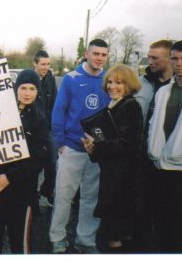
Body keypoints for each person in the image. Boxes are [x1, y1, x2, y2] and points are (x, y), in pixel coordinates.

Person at [0, 69, 49, 254]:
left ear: (38, 91)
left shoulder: (39, 120)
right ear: (15, 89)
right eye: (23, 87)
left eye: (32, 88)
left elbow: (38, 159)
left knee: (20, 243)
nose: (27, 93)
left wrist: (10, 177)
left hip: (22, 193)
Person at [49, 39, 110, 254]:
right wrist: (61, 142)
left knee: (90, 199)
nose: (99, 58)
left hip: (96, 151)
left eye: (103, 54)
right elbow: (58, 111)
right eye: (96, 54)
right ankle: (57, 238)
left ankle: (85, 240)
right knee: (64, 196)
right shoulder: (71, 79)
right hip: (72, 148)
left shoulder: (109, 80)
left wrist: (103, 146)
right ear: (87, 53)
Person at [82, 64, 143, 253]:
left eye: (119, 83)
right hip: (113, 175)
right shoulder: (114, 105)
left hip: (123, 180)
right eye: (110, 82)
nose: (112, 86)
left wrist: (97, 146)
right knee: (115, 231)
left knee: (114, 233)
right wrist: (92, 149)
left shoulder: (130, 106)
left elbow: (126, 144)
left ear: (129, 85)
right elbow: (108, 143)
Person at [147, 40, 182, 253]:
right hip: (160, 167)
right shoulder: (163, 91)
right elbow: (154, 126)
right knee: (163, 227)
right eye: (175, 58)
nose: (179, 63)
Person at [133, 39, 173, 252]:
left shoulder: (180, 87)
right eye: (149, 57)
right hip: (140, 157)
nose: (150, 61)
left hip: (168, 160)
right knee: (140, 207)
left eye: (155, 58)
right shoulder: (140, 82)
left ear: (169, 59)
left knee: (166, 209)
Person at [32, 50, 58, 205]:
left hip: (47, 129)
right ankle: (31, 195)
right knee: (33, 164)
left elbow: (55, 104)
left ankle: (47, 190)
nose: (46, 67)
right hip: (32, 129)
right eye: (43, 64)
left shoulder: (51, 79)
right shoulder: (29, 78)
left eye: (48, 64)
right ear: (35, 64)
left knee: (53, 161)